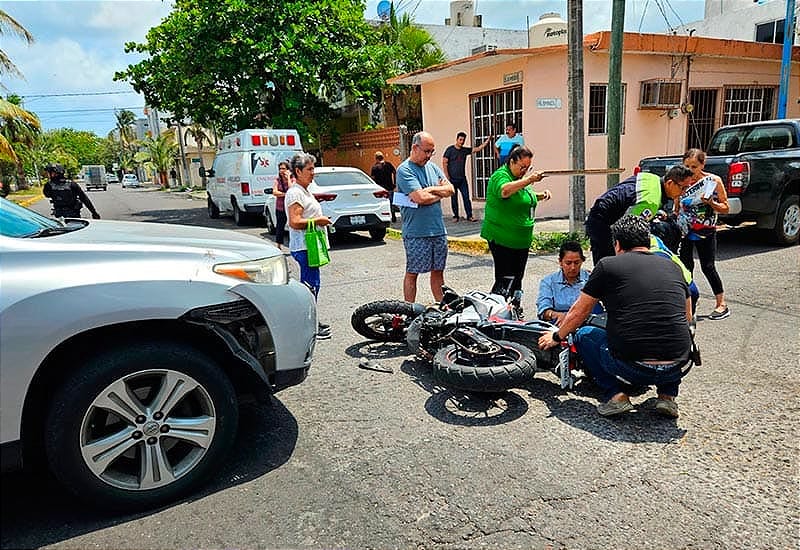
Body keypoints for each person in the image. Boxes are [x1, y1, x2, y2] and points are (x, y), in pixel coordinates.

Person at [539, 216, 693, 419]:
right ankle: (667, 395)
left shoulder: (608, 266)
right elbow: (687, 317)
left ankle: (616, 396)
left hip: (634, 368)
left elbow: (579, 312)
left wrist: (556, 336)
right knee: (672, 332)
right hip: (678, 366)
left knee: (584, 335)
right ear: (648, 241)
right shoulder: (673, 267)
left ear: (618, 244)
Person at [584, 164, 694, 265]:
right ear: (670, 183)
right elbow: (629, 230)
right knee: (608, 265)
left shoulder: (651, 178)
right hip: (602, 223)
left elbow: (632, 198)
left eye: (687, 188)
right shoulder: (651, 202)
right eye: (682, 188)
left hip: (601, 210)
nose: (683, 193)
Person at [480, 145, 551, 295]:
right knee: (505, 280)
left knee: (517, 280)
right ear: (512, 161)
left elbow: (522, 197)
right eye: (522, 167)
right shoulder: (501, 176)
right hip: (502, 238)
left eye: (528, 168)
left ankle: (515, 305)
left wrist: (540, 195)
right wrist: (529, 179)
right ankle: (498, 307)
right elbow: (505, 191)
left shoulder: (520, 179)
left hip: (521, 241)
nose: (524, 171)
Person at [395, 131, 455, 303]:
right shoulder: (404, 170)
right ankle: (409, 309)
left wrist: (431, 190)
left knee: (438, 271)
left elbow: (450, 189)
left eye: (431, 152)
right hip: (416, 232)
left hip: (438, 230)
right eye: (426, 151)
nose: (429, 155)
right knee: (413, 272)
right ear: (415, 148)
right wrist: (438, 193)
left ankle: (441, 306)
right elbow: (419, 198)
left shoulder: (433, 167)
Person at [678, 148, 730, 320]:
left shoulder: (713, 181)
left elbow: (725, 207)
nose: (690, 170)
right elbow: (676, 205)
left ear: (702, 165)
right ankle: (690, 302)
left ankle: (721, 303)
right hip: (685, 231)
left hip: (706, 230)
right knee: (686, 267)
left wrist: (711, 203)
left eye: (694, 167)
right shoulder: (681, 181)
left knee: (708, 266)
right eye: (687, 166)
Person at [285, 153, 333, 340]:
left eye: (314, 168)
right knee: (310, 285)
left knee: (313, 284)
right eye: (309, 169)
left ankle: (311, 320)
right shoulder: (295, 193)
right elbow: (295, 221)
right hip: (304, 246)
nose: (313, 173)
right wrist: (318, 220)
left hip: (310, 245)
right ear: (298, 171)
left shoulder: (304, 191)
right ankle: (309, 325)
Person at [536, 240, 591, 325]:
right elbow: (543, 310)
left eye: (577, 263)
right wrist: (556, 315)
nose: (573, 267)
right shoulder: (548, 282)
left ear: (582, 261)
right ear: (560, 262)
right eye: (568, 263)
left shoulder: (591, 279)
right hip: (559, 324)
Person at [442, 132, 491, 222]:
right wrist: (447, 176)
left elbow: (478, 149)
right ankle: (455, 216)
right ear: (457, 139)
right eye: (460, 140)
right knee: (454, 198)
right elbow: (444, 162)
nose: (462, 142)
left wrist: (487, 141)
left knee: (466, 197)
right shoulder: (450, 150)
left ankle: (469, 216)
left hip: (462, 179)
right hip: (452, 179)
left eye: (463, 140)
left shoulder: (464, 150)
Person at [370, 151, 397, 222]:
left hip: (380, 188)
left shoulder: (375, 167)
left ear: (376, 158)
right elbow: (394, 172)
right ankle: (393, 215)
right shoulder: (388, 164)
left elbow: (372, 178)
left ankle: (383, 217)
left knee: (382, 202)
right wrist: (395, 182)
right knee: (391, 202)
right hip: (389, 186)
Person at [273, 160, 292, 247]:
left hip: (290, 207)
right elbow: (275, 192)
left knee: (292, 226)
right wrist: (285, 194)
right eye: (280, 169)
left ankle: (293, 245)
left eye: (283, 169)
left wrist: (288, 178)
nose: (281, 171)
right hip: (280, 207)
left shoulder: (292, 179)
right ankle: (278, 245)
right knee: (280, 226)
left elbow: (291, 189)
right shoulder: (277, 180)